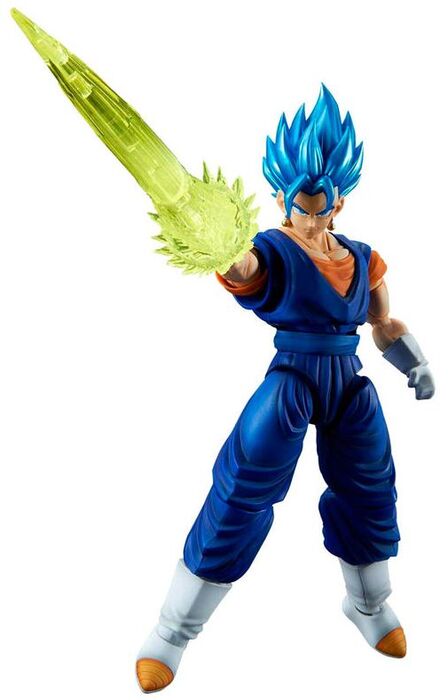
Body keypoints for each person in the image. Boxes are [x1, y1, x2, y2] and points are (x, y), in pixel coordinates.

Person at [135, 86, 435, 692]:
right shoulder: (271, 249)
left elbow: (382, 321)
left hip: (348, 384)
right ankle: (172, 631)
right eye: (300, 204)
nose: (311, 217)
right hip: (293, 379)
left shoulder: (364, 258)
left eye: (322, 205)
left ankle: (369, 605)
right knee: (244, 484)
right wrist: (220, 246)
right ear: (280, 197)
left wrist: (416, 363)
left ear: (339, 200)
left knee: (370, 489)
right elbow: (244, 270)